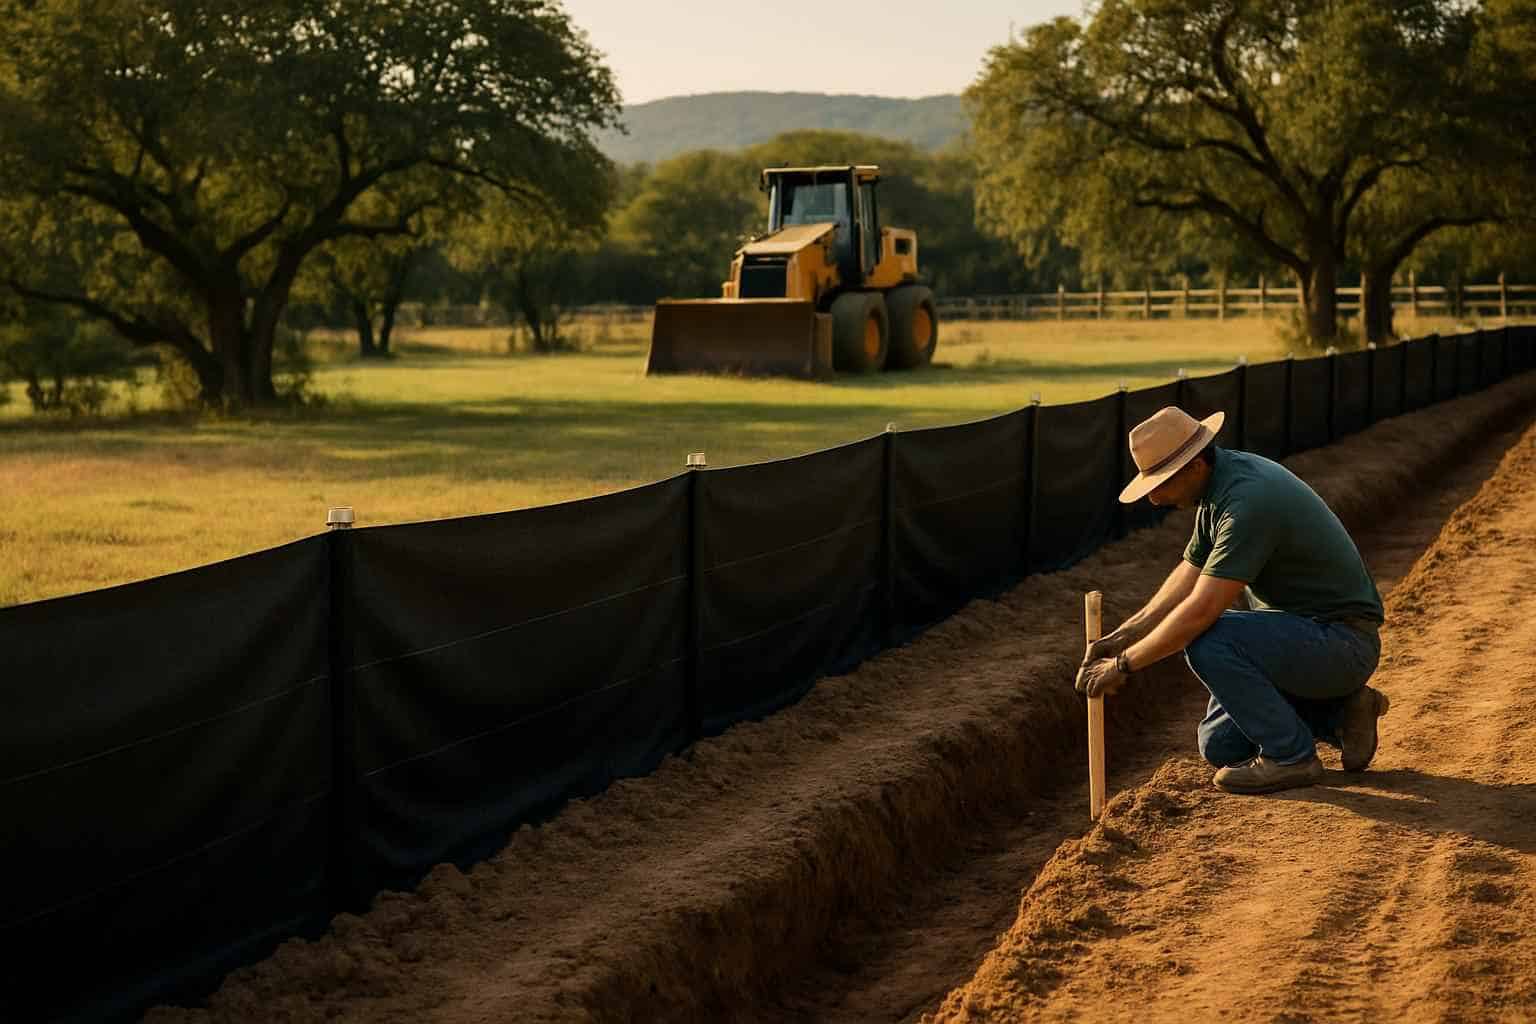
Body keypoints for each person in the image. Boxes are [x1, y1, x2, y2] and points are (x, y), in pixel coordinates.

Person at [1075, 406, 1390, 794]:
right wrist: (1121, 636)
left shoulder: (1247, 502)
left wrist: (1123, 665)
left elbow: (1201, 610)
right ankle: (1343, 714)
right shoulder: (1218, 485)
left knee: (1209, 637)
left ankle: (1292, 758)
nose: (1154, 499)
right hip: (1302, 640)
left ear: (1193, 465)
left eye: (1160, 483)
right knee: (1219, 743)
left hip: (1341, 642)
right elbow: (1188, 572)